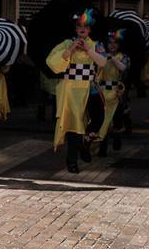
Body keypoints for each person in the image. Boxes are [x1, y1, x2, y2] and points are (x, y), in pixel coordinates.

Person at [46, 9, 107, 173]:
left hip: (91, 88)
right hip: (72, 89)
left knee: (99, 117)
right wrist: (71, 49)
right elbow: (52, 62)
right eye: (79, 26)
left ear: (90, 30)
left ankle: (85, 141)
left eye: (85, 26)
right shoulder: (66, 43)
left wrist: (88, 50)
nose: (82, 29)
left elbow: (102, 63)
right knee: (74, 126)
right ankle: (72, 161)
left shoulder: (96, 44)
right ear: (75, 28)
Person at [96, 28, 130, 156]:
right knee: (103, 121)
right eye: (110, 42)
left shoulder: (123, 57)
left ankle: (117, 139)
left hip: (117, 93)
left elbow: (123, 68)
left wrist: (113, 59)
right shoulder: (100, 56)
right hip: (102, 92)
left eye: (115, 42)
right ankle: (102, 148)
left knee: (116, 119)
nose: (112, 45)